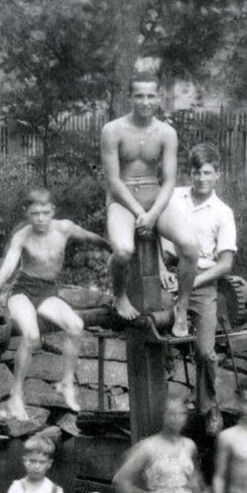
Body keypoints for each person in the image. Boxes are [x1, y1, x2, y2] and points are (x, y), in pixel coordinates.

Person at [0, 187, 104, 428]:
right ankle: (16, 395)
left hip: (47, 292)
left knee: (76, 325)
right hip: (22, 291)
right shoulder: (22, 237)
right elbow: (6, 269)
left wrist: (114, 247)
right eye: (35, 214)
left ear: (53, 211)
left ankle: (66, 382)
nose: (41, 219)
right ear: (27, 213)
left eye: (45, 213)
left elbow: (90, 237)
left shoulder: (64, 228)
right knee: (31, 335)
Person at [101, 74, 206, 324]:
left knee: (191, 246)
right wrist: (140, 214)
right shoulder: (112, 130)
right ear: (130, 97)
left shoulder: (166, 133)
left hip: (153, 197)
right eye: (139, 95)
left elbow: (169, 181)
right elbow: (113, 181)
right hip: (122, 201)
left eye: (150, 96)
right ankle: (119, 294)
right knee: (124, 250)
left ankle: (181, 306)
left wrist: (153, 214)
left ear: (159, 98)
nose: (145, 101)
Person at [160, 144, 241, 410]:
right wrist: (161, 270)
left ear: (218, 174)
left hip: (202, 283)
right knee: (152, 335)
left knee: (206, 353)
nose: (202, 179)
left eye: (208, 173)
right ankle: (159, 404)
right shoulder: (172, 197)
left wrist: (192, 282)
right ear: (189, 173)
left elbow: (226, 264)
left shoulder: (223, 212)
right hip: (168, 275)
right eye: (196, 173)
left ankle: (207, 406)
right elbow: (152, 236)